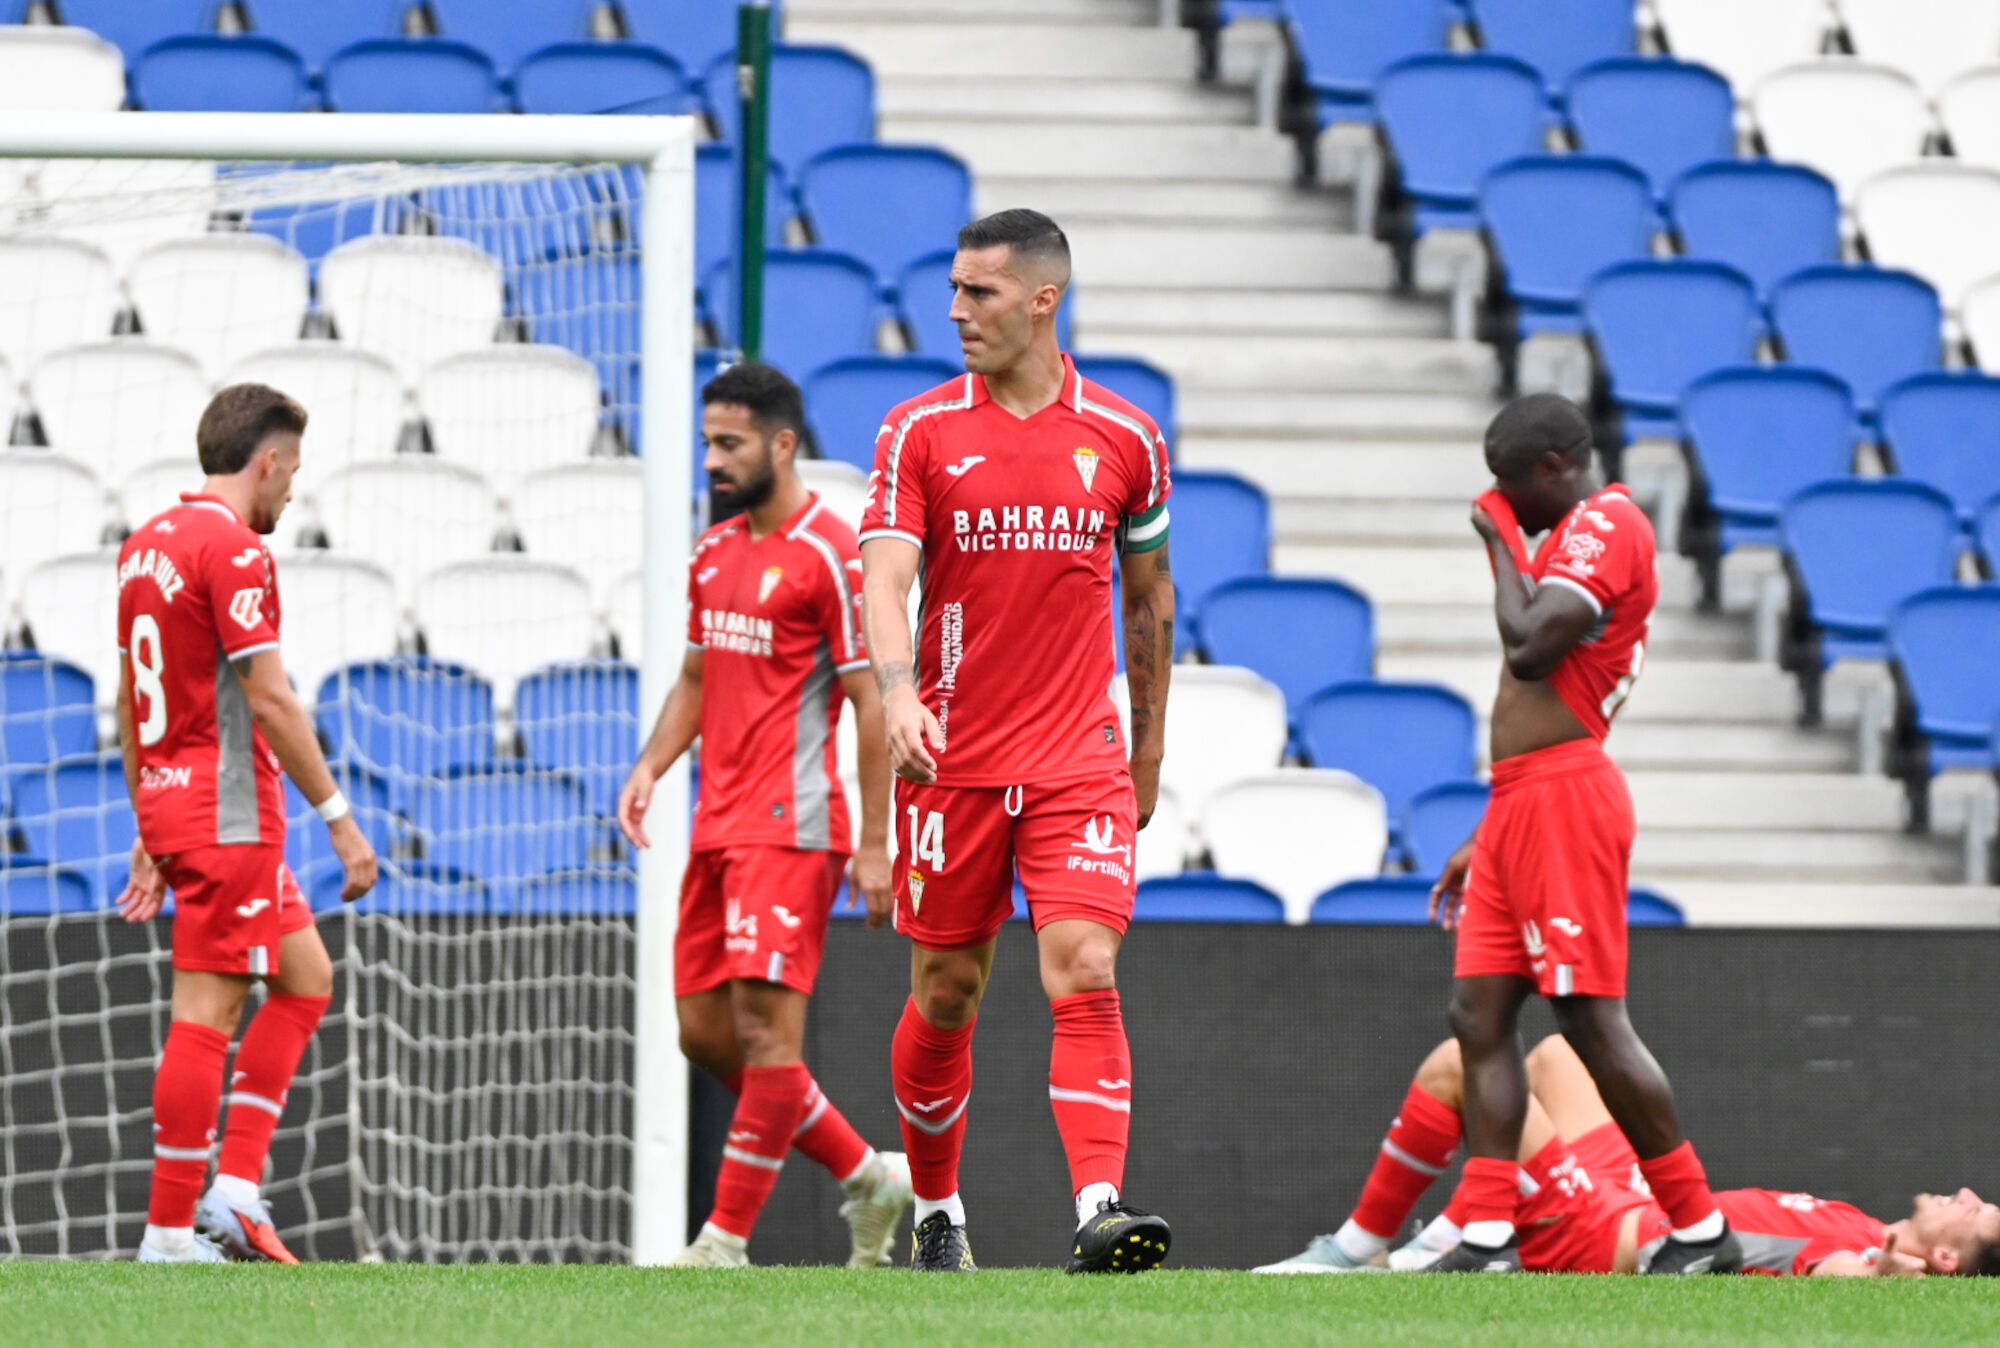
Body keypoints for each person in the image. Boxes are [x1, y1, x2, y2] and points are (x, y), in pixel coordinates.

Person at [857, 209, 1176, 1274]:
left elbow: (1149, 603)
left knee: (1083, 963)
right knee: (946, 992)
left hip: (1075, 758)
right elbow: (887, 577)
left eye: (978, 292)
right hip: (948, 756)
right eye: (951, 289)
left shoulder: (1126, 439)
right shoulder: (918, 431)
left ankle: (1098, 1206)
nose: (954, 311)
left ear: (1043, 298)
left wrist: (1146, 752)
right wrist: (899, 695)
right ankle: (938, 1208)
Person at [1426, 394, 1740, 1274]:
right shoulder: (1566, 537)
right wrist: (1489, 829)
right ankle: (1488, 1231)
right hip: (1521, 799)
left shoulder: (1610, 523)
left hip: (1567, 796)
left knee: (1589, 1019)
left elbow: (1529, 646)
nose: (1504, 498)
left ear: (1558, 468)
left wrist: (1495, 538)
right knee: (1478, 1012)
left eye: (1512, 483)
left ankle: (1699, 1227)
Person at [618, 362, 910, 1269]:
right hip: (718, 823)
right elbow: (698, 678)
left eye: (729, 443)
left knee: (764, 1039)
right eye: (709, 441)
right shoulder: (714, 554)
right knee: (703, 1035)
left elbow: (870, 703)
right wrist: (652, 765)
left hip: (794, 824)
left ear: (783, 444)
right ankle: (868, 1173)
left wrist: (874, 840)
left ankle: (723, 1242)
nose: (713, 459)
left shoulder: (831, 553)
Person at [115, 384, 380, 1263]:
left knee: (305, 979)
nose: (293, 491)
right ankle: (164, 1235)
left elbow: (130, 700)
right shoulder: (233, 552)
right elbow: (268, 696)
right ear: (266, 461)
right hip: (229, 814)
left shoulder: (145, 545)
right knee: (206, 1013)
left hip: (175, 800)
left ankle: (231, 1190)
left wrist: (149, 822)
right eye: (292, 471)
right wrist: (340, 820)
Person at [1256, 1034, 2000, 1278]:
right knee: (1557, 1054)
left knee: (1463, 1064)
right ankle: (1462, 1236)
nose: (1964, 1191)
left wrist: (1888, 1272)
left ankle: (1354, 1249)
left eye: (1974, 1212)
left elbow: (1838, 1283)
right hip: (1637, 1200)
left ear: (1944, 1263)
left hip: (1605, 1233)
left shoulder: (1863, 1270)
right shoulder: (1869, 1225)